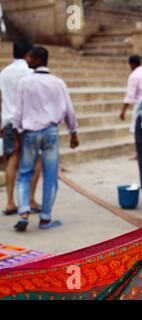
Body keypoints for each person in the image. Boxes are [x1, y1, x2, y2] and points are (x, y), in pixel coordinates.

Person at [12, 46, 79, 232]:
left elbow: (18, 113)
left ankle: (24, 212)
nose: (27, 60)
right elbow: (69, 110)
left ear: (38, 60)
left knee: (24, 174)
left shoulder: (24, 82)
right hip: (51, 132)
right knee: (50, 176)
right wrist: (73, 132)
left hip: (29, 134)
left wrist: (17, 134)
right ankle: (45, 218)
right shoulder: (58, 83)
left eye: (30, 57)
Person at [0, 39, 42, 216]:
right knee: (36, 160)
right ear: (28, 55)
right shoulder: (30, 73)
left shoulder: (4, 73)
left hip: (9, 121)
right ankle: (31, 199)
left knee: (12, 159)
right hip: (28, 122)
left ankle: (10, 202)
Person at [119, 55, 142, 133]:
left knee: (138, 131)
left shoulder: (134, 75)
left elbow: (130, 95)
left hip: (140, 106)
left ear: (131, 64)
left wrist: (123, 111)